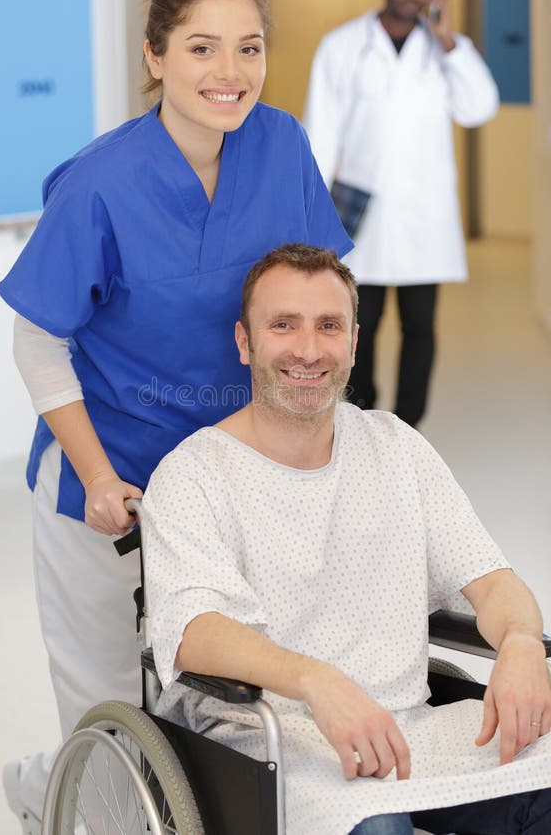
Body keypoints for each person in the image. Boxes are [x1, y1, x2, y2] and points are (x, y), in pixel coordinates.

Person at [0, 0, 353, 831]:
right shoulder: (101, 182)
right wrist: (95, 474)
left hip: (232, 474)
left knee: (217, 692)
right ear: (155, 56)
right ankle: (71, 789)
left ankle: (48, 781)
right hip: (110, 475)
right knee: (114, 692)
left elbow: (317, 290)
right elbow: (37, 336)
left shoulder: (282, 145)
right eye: (201, 48)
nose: (228, 72)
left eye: (248, 48)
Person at [142, 243, 551, 835]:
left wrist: (519, 643)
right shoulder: (194, 473)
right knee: (378, 825)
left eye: (328, 326)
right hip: (270, 743)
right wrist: (317, 680)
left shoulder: (396, 448)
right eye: (284, 325)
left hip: (411, 728)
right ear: (244, 341)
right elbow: (194, 628)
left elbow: (491, 579)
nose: (308, 350)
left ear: (354, 342)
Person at [303, 0, 499, 428]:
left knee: (420, 326)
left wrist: (450, 42)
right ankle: (363, 420)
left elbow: (480, 108)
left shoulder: (444, 50)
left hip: (422, 215)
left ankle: (409, 428)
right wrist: (309, 214)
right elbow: (320, 133)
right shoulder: (342, 45)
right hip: (357, 210)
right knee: (355, 327)